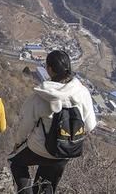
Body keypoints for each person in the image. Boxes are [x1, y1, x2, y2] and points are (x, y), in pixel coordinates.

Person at [9, 49, 96, 194]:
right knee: (46, 184)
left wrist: (18, 142)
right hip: (66, 151)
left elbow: (25, 125)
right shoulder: (82, 92)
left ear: (49, 69)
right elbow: (90, 125)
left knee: (15, 161)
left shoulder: (41, 95)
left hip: (39, 148)